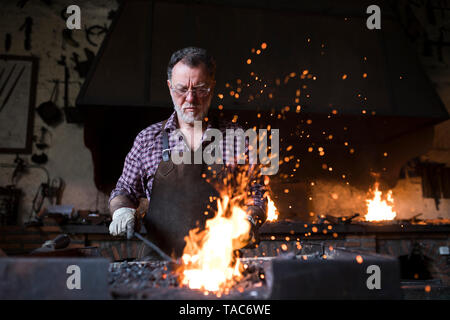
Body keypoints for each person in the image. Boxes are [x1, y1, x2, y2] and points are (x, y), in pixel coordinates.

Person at [108, 47, 267, 258]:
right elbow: (124, 191)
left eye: (200, 89)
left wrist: (249, 220)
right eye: (181, 89)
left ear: (212, 87)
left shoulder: (236, 138)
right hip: (158, 264)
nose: (190, 99)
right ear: (169, 87)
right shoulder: (148, 139)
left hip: (217, 270)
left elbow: (256, 194)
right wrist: (121, 211)